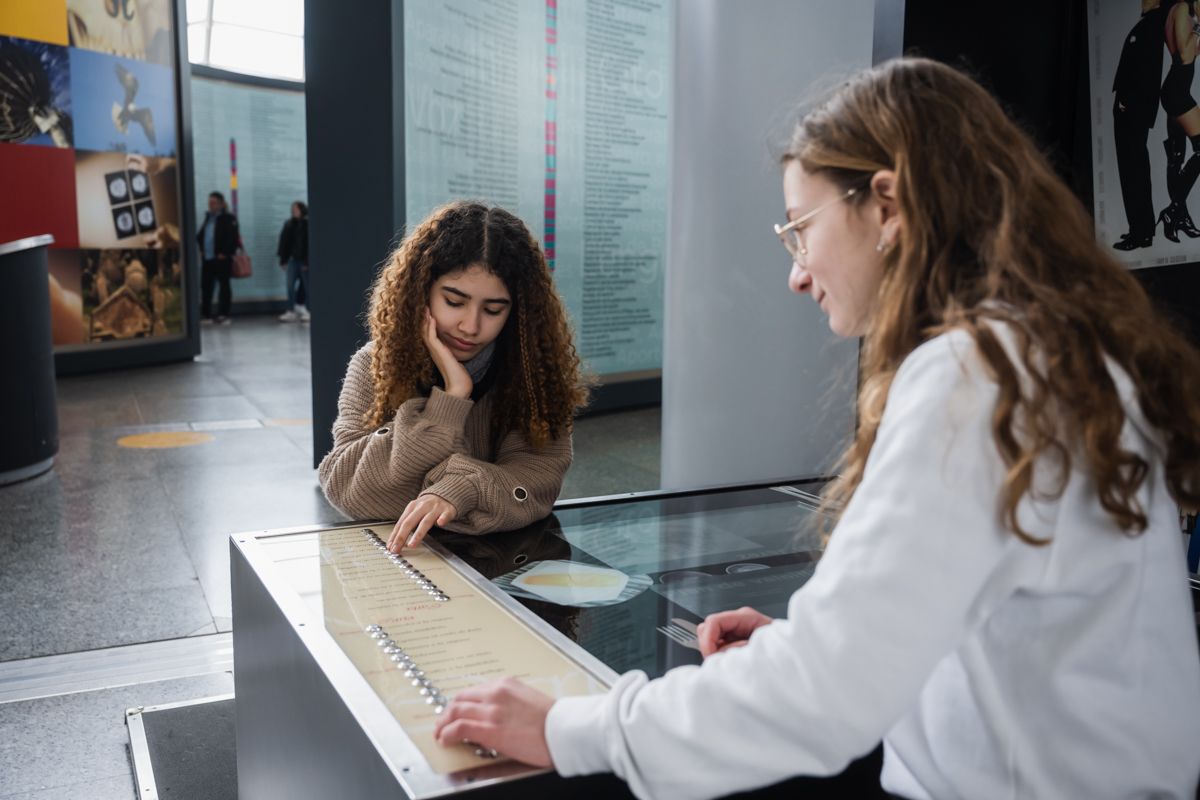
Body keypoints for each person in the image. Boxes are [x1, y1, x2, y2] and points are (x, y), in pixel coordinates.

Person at [431, 58, 1200, 799]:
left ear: (888, 207)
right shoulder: (1052, 355)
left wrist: (571, 728)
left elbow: (822, 698)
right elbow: (1003, 630)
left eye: (802, 227)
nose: (798, 271)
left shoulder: (974, 376)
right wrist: (830, 642)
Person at [318, 201, 588, 552]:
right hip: (400, 569)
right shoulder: (374, 366)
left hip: (504, 568)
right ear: (421, 290)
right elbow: (349, 488)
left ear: (517, 311)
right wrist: (451, 400)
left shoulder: (533, 373)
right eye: (455, 301)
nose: (471, 326)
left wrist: (461, 489)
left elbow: (538, 482)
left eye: (493, 309)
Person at [1111, 1, 1170, 250]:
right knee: (1134, 170)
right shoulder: (1149, 25)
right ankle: (1141, 230)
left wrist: (1127, 102)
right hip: (1132, 109)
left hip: (1132, 110)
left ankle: (1141, 232)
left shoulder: (1152, 25)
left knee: (1133, 170)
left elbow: (1145, 71)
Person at [1160, 0, 1200, 240]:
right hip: (1177, 93)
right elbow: (1186, 53)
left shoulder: (1176, 11)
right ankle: (1173, 210)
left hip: (1175, 88)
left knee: (1176, 157)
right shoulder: (1183, 9)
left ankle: (1179, 218)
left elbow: (1190, 50)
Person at [195, 191, 239, 324]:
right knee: (206, 287)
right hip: (208, 259)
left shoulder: (229, 218)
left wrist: (224, 253)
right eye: (209, 203)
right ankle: (206, 315)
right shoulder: (209, 218)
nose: (211, 205)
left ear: (220, 204)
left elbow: (233, 238)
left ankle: (224, 314)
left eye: (213, 203)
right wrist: (202, 250)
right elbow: (200, 236)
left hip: (221, 259)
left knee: (224, 287)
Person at [276, 200, 310, 322]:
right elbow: (284, 242)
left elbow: (308, 244)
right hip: (292, 260)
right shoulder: (289, 224)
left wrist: (307, 262)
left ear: (302, 210)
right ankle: (290, 310)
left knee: (307, 286)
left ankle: (306, 309)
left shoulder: (307, 223)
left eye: (296, 209)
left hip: (304, 260)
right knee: (290, 286)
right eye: (293, 209)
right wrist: (283, 259)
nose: (294, 211)